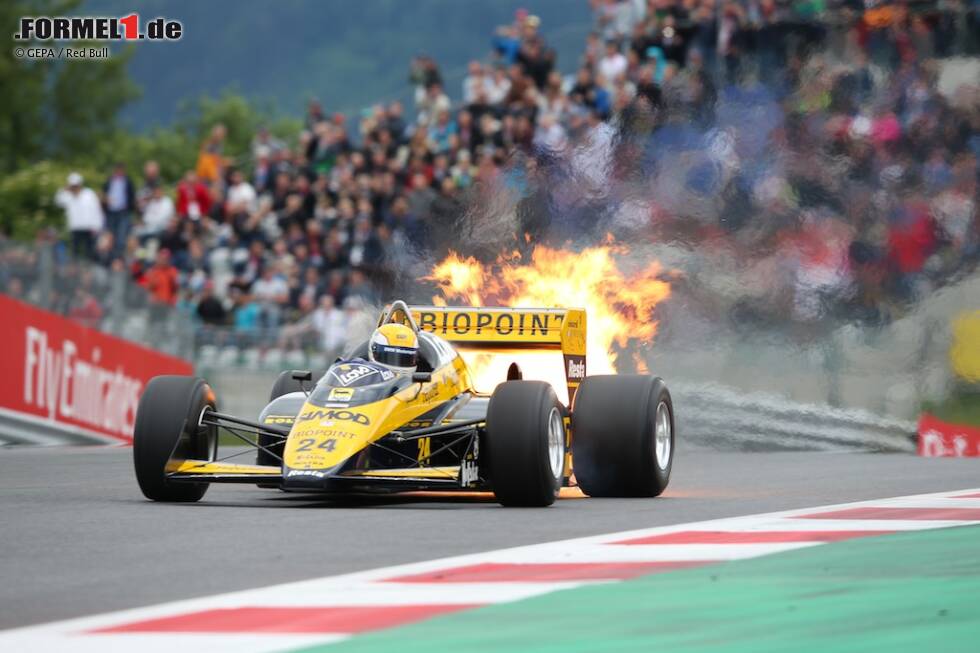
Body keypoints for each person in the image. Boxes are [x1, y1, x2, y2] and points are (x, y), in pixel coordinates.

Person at [55, 172, 104, 261]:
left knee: (89, 252)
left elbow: (96, 211)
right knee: (75, 253)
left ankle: (89, 270)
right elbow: (58, 201)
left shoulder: (89, 194)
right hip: (75, 228)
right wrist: (64, 190)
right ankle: (76, 271)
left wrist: (98, 226)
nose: (75, 188)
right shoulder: (67, 196)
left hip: (89, 228)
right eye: (73, 186)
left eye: (76, 186)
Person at [103, 163, 136, 253]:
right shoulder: (109, 181)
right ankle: (112, 257)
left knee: (121, 236)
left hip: (123, 212)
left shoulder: (128, 181)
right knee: (110, 236)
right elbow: (104, 194)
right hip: (111, 212)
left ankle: (119, 257)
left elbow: (132, 197)